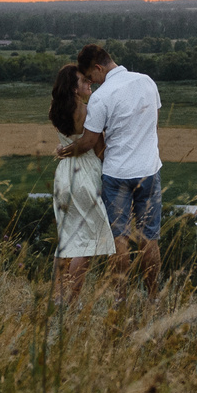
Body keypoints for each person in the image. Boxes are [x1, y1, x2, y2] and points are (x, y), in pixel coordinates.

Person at [59, 42, 162, 293]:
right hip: (149, 169)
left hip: (117, 175)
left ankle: (121, 299)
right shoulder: (147, 81)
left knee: (120, 240)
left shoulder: (102, 97)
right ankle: (153, 298)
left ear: (97, 68)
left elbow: (90, 141)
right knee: (149, 238)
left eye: (91, 76)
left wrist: (65, 151)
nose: (93, 82)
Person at [46, 62, 113, 301]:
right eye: (84, 81)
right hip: (86, 174)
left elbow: (65, 141)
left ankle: (56, 295)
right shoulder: (87, 110)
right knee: (87, 242)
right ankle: (68, 300)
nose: (89, 83)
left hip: (64, 174)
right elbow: (100, 149)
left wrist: (64, 148)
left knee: (67, 238)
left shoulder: (55, 109)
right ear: (74, 88)